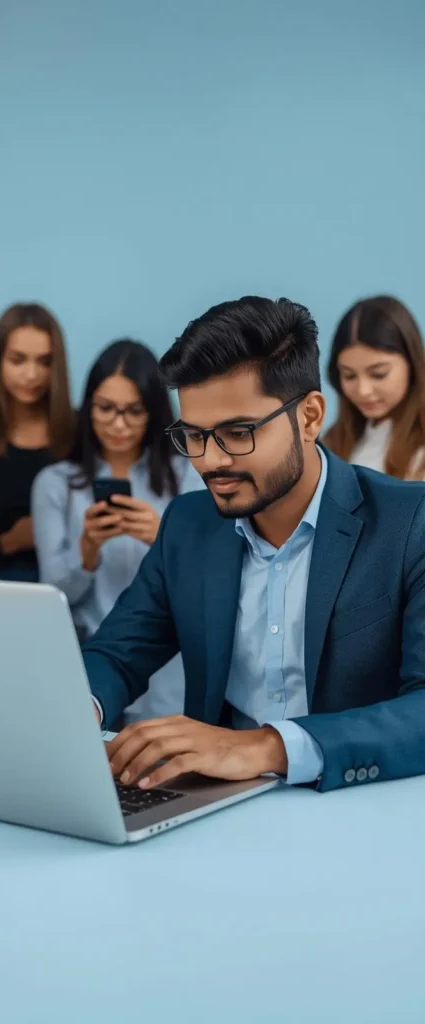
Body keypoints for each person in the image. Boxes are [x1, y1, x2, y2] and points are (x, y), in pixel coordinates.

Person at [82, 296, 425, 793]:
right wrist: (77, 712)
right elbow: (115, 655)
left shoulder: (409, 521)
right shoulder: (188, 524)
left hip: (355, 809)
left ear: (309, 417)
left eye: (238, 432)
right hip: (211, 808)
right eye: (194, 436)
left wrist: (266, 747)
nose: (211, 461)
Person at [32, 339, 204, 721]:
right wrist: (86, 553)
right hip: (89, 661)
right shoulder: (56, 483)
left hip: (172, 669)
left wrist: (162, 537)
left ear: (154, 413)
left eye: (133, 411)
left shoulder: (190, 474)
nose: (118, 424)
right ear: (88, 407)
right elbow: (50, 598)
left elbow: (208, 579)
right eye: (106, 409)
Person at [0, 303, 75, 581]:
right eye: (18, 360)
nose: (31, 374)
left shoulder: (82, 431)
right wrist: (11, 542)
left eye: (44, 362)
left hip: (73, 591)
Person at [324, 295, 425, 479]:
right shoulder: (333, 443)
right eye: (349, 375)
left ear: (412, 364)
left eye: (379, 374)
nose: (363, 390)